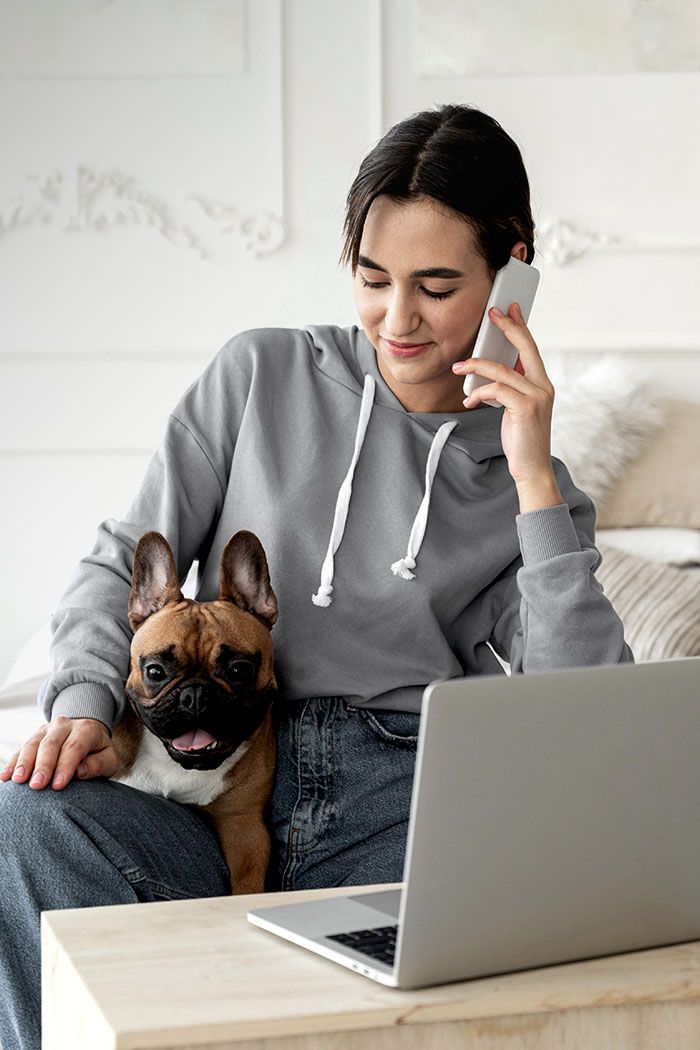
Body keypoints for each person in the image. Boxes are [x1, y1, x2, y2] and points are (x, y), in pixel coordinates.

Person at [0, 102, 633, 1050]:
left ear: (514, 270)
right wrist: (87, 701)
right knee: (24, 826)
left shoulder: (529, 481)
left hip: (401, 804)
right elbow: (120, 557)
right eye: (373, 279)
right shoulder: (260, 375)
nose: (397, 319)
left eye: (436, 284)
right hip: (212, 774)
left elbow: (583, 714)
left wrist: (534, 474)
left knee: (548, 924)